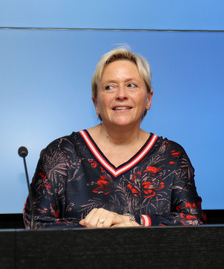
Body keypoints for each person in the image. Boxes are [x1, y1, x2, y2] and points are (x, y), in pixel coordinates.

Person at [23, 47, 205, 228]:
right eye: (110, 87)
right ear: (96, 103)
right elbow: (36, 223)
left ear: (148, 99)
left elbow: (193, 221)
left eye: (131, 85)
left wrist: (131, 221)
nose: (121, 95)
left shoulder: (172, 155)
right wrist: (100, 227)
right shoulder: (61, 153)